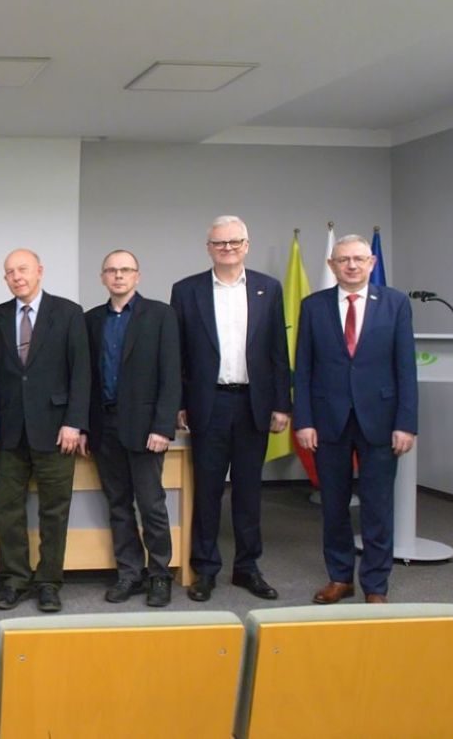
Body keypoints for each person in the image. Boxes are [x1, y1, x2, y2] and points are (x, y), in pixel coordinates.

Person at [170, 216, 291, 602]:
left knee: (249, 490)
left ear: (246, 245)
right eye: (219, 243)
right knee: (207, 490)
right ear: (209, 248)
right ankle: (205, 568)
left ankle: (247, 567)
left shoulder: (268, 288)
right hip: (209, 403)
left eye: (234, 242)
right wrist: (179, 403)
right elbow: (178, 354)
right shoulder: (186, 290)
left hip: (254, 402)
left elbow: (277, 349)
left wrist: (282, 404)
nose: (227, 248)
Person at [294, 234, 417, 604]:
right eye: (343, 259)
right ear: (331, 265)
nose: (351, 265)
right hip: (327, 421)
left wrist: (406, 423)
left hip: (381, 420)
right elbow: (304, 367)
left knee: (377, 507)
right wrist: (304, 420)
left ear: (371, 263)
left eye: (358, 259)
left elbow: (405, 367)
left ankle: (376, 585)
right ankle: (340, 577)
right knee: (334, 505)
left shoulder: (395, 303)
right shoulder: (313, 306)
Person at [0, 248, 89, 613]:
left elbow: (81, 372)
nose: (17, 277)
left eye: (23, 269)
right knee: (7, 511)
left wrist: (74, 422)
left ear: (39, 271)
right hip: (10, 432)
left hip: (57, 430)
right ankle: (14, 580)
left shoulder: (68, 313)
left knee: (54, 511)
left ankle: (48, 582)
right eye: (10, 272)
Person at [84, 249, 181, 608]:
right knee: (118, 504)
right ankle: (130, 573)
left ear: (137, 276)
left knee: (151, 504)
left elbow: (171, 374)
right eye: (111, 270)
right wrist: (85, 427)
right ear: (103, 278)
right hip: (104, 426)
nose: (118, 276)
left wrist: (163, 426)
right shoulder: (91, 320)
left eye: (125, 270)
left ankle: (160, 574)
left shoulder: (160, 315)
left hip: (145, 428)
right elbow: (87, 378)